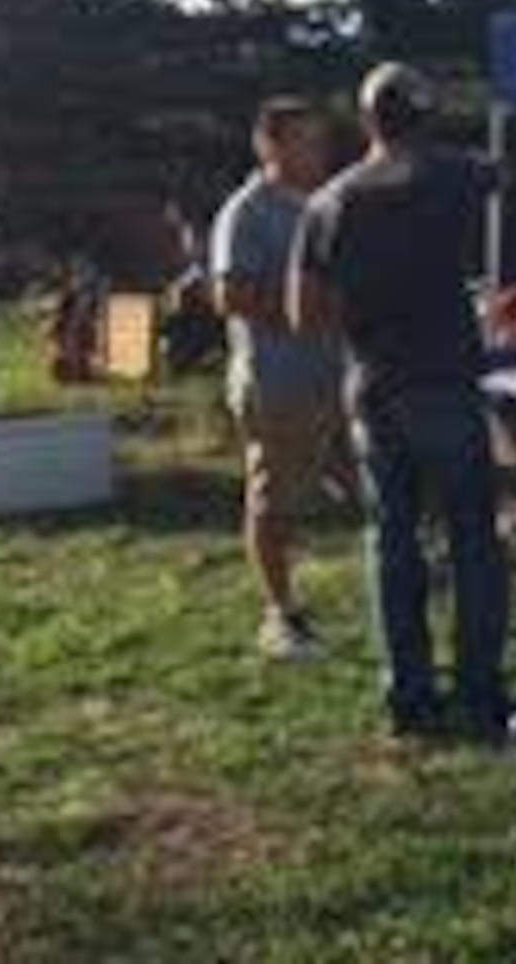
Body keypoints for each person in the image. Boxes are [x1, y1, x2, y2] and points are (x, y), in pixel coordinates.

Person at [290, 64, 511, 739]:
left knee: (392, 541)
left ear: (366, 122)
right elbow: (499, 170)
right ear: (426, 120)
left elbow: (302, 313)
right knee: (473, 539)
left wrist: (363, 326)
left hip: (373, 386)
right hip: (443, 381)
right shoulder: (451, 176)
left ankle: (409, 698)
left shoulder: (328, 203)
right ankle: (478, 691)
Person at [210, 99, 354, 661]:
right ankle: (281, 615)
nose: (316, 151)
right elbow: (229, 295)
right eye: (303, 140)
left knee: (366, 480)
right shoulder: (246, 211)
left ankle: (406, 574)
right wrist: (307, 309)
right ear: (268, 146)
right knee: (274, 499)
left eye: (319, 140)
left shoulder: (325, 203)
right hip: (278, 380)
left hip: (340, 375)